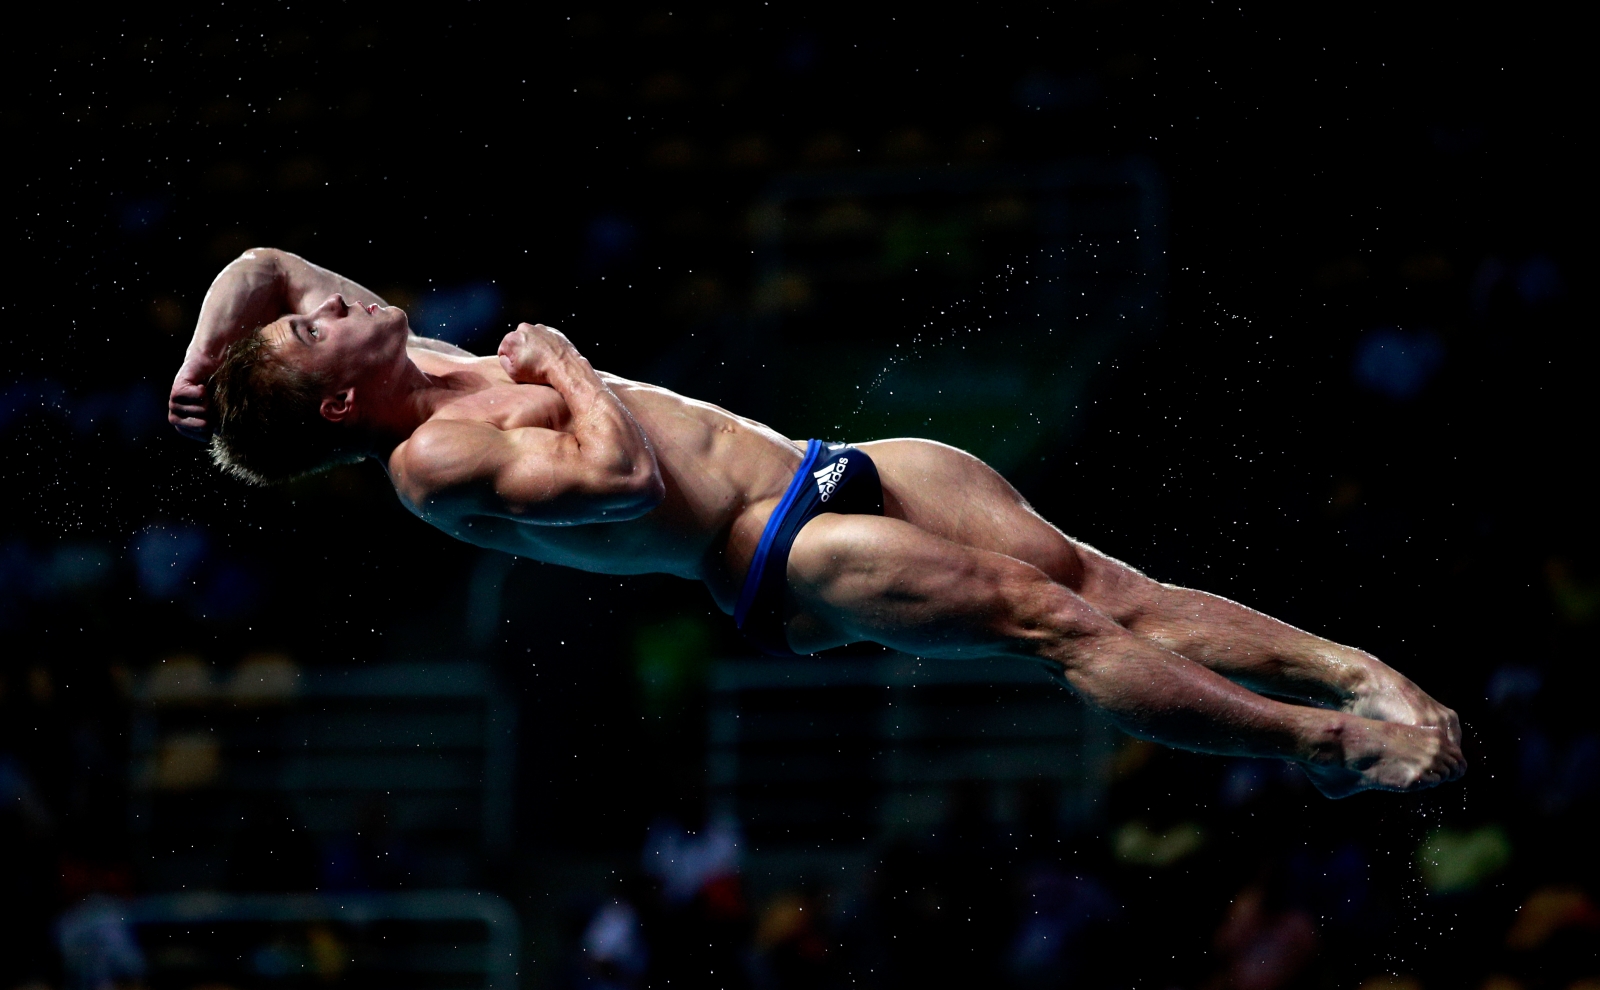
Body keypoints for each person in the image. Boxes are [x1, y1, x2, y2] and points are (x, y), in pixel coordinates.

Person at [168, 249, 1464, 798]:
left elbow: (265, 264)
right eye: (308, 328)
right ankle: (1327, 746)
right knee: (1054, 622)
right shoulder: (432, 454)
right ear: (342, 393)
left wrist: (205, 348)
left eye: (309, 307)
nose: (320, 297)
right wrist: (563, 359)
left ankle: (1351, 670)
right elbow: (619, 483)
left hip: (823, 465)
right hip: (786, 553)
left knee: (1104, 580)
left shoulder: (423, 356)